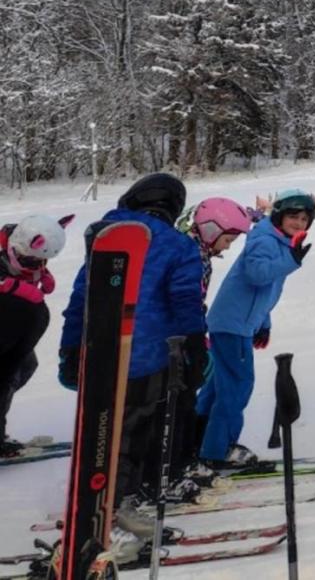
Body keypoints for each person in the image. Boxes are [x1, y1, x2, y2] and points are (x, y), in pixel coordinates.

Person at [59, 173, 206, 529]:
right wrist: (195, 349)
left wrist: (70, 347)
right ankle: (116, 510)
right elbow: (186, 301)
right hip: (147, 357)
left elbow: (81, 297)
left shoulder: (104, 235)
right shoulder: (178, 246)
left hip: (98, 352)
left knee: (98, 429)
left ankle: (92, 502)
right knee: (132, 431)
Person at [196, 188, 312, 469]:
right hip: (233, 324)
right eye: (293, 217)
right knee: (237, 386)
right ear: (280, 216)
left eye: (304, 219)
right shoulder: (265, 238)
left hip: (236, 322)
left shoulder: (278, 240)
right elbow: (256, 274)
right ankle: (218, 450)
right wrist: (291, 261)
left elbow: (264, 292)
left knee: (218, 387)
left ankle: (193, 440)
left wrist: (263, 323)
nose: (299, 223)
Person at [171, 198, 253, 480]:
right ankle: (178, 462)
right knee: (182, 398)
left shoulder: (193, 250)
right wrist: (194, 338)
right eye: (227, 239)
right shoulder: (192, 255)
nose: (228, 247)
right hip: (176, 339)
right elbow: (186, 300)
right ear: (210, 230)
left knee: (195, 393)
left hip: (185, 334)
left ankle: (191, 449)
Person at [0, 214, 72, 455]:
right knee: (6, 377)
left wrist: (41, 275)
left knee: (26, 366)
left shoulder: (21, 252)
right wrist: (17, 288)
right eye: (32, 262)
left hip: (13, 328)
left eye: (41, 262)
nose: (37, 266)